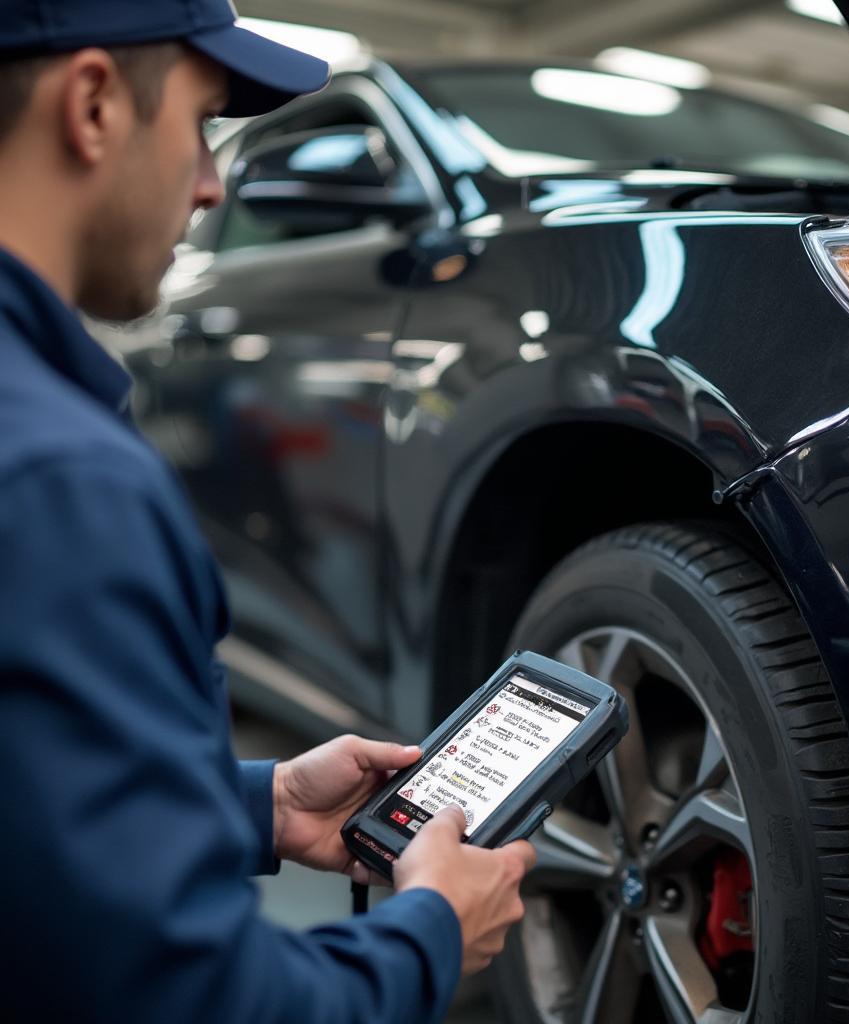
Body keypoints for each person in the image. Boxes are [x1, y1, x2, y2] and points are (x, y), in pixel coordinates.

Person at [0, 2, 536, 1021]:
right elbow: (189, 1001)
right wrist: (425, 934)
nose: (211, 182)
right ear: (94, 103)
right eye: (203, 122)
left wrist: (255, 804)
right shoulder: (60, 482)